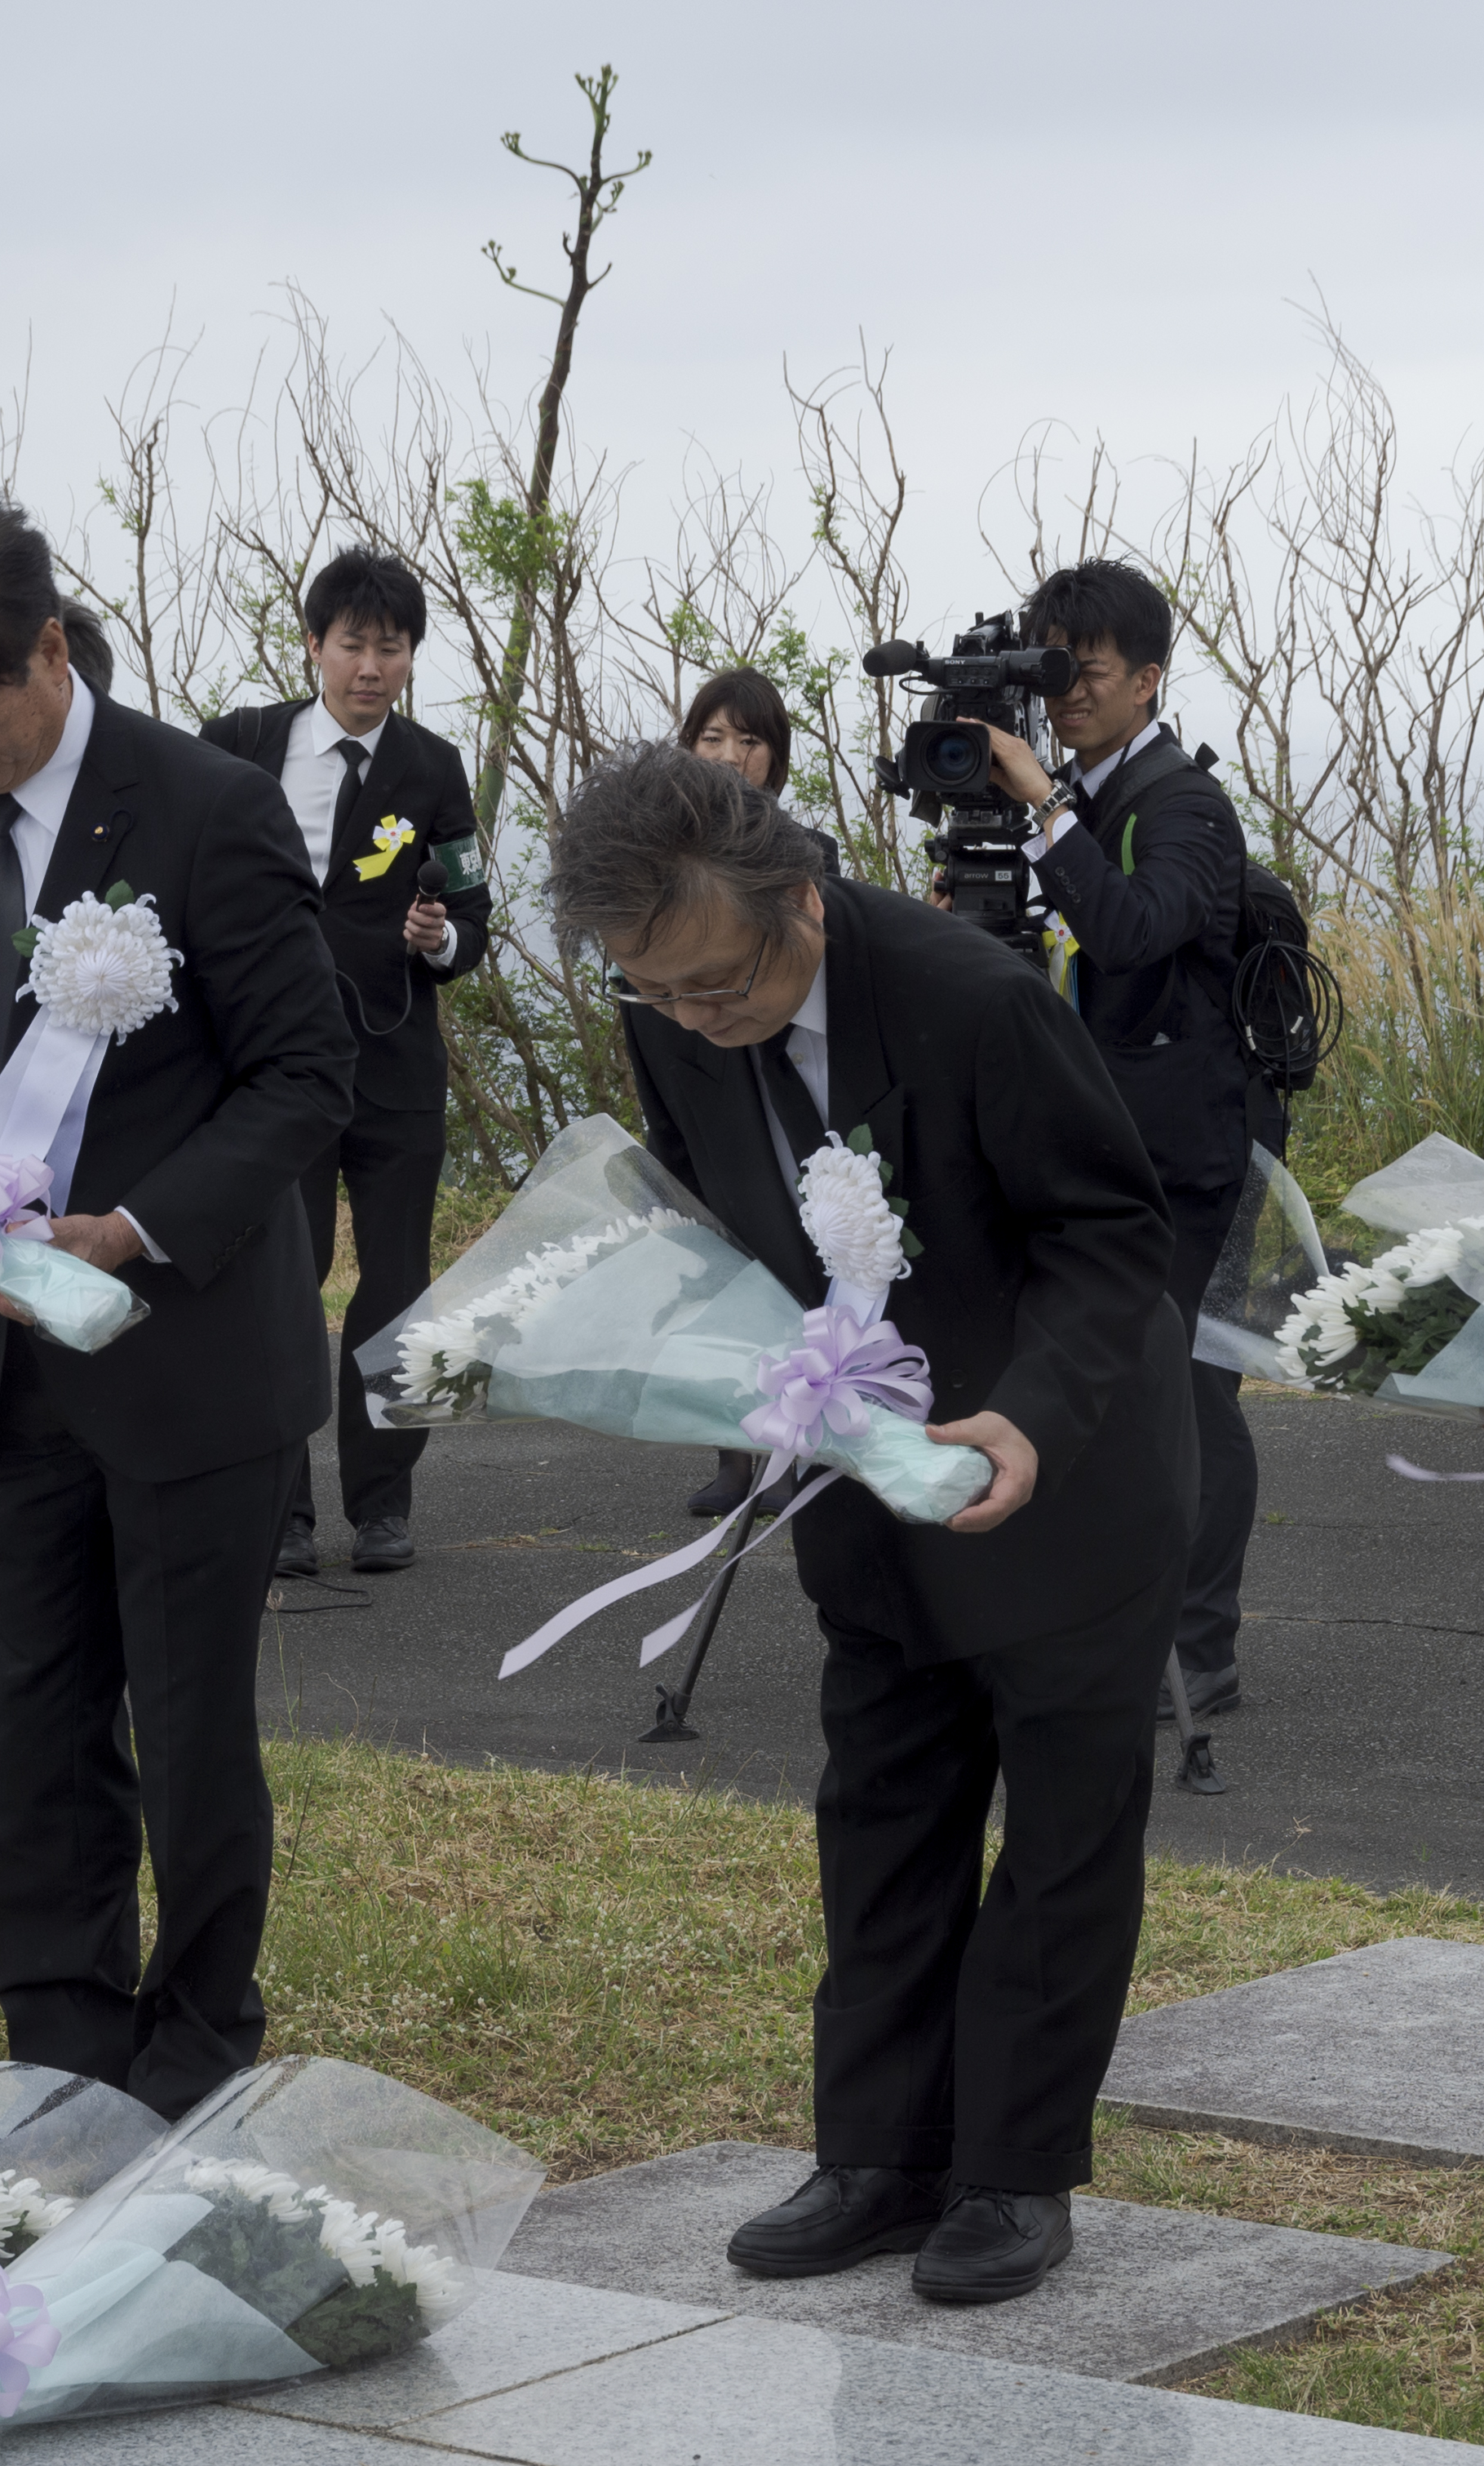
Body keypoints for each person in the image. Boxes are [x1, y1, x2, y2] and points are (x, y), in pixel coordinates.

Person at [555, 743, 1195, 2307]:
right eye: (660, 997)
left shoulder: (971, 998)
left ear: (802, 905)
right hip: (858, 1474)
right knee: (883, 1814)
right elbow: (720, 1220)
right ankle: (877, 2151)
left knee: (1056, 1837)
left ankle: (1010, 2173)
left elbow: (1113, 1238)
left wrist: (1027, 1421)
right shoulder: (679, 1011)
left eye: (718, 983)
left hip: (1057, 1467)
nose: (697, 1019)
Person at [0, 497, 352, 2119]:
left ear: (48, 651)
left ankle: (199, 2042)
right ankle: (58, 2048)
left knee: (192, 1724)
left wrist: (128, 1227)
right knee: (36, 1709)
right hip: (8, 1358)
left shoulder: (204, 808)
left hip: (187, 1351)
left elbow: (304, 1074)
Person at [959, 558, 1267, 1719]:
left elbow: (1135, 932)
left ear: (1148, 679)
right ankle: (1109, 1616)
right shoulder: (1089, 794)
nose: (1066, 697)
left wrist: (1041, 804)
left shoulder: (1183, 803)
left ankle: (1200, 1644)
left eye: (1085, 675)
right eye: (1053, 674)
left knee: (1187, 1393)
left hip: (1182, 1153)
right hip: (1102, 1146)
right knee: (1114, 1383)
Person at [199, 548, 489, 1580]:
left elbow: (472, 919)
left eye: (393, 645)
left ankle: (384, 1501)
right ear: (314, 643)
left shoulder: (434, 767)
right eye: (354, 642)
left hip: (393, 1066)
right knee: (284, 1278)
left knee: (400, 1287)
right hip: (271, 1066)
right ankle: (280, 1507)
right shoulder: (238, 745)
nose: (372, 665)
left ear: (412, 654)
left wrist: (436, 939)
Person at [676, 664, 816, 1522]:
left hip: (774, 1069)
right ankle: (732, 1453)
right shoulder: (654, 847)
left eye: (750, 740)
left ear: (775, 757)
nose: (729, 756)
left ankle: (798, 1443)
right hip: (687, 1070)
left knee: (792, 1254)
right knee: (709, 1255)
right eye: (712, 737)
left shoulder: (804, 853)